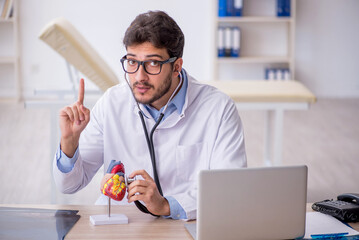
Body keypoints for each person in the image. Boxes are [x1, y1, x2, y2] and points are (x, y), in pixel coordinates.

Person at [53, 10, 247, 220]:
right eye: (132, 61)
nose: (139, 76)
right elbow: (69, 185)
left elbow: (230, 192)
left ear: (176, 67)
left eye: (153, 63)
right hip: (120, 224)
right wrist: (69, 144)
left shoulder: (218, 109)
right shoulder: (112, 103)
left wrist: (166, 205)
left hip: (185, 225)